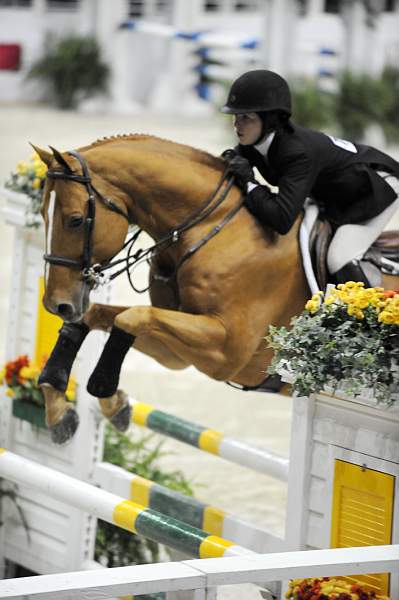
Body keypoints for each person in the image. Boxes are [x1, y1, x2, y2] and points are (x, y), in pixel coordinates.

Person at [221, 69, 399, 284]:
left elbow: (281, 220)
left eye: (245, 117)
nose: (236, 124)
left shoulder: (296, 152)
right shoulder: (254, 141)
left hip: (374, 189)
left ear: (270, 121)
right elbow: (235, 164)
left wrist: (250, 183)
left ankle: (364, 316)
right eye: (236, 116)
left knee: (339, 257)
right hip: (333, 193)